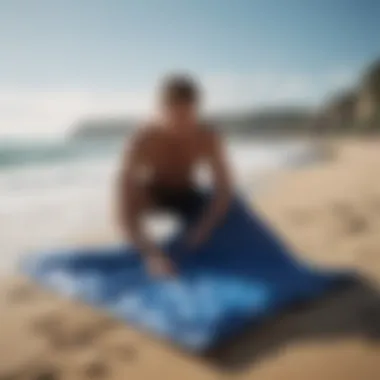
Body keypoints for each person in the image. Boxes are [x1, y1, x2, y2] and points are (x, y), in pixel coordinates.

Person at [117, 74, 232, 277]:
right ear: (161, 110)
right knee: (133, 197)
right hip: (155, 193)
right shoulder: (143, 139)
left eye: (188, 117)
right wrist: (151, 255)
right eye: (175, 117)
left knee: (232, 207)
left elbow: (223, 188)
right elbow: (123, 205)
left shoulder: (207, 136)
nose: (182, 125)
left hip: (188, 193)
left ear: (197, 110)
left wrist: (203, 229)